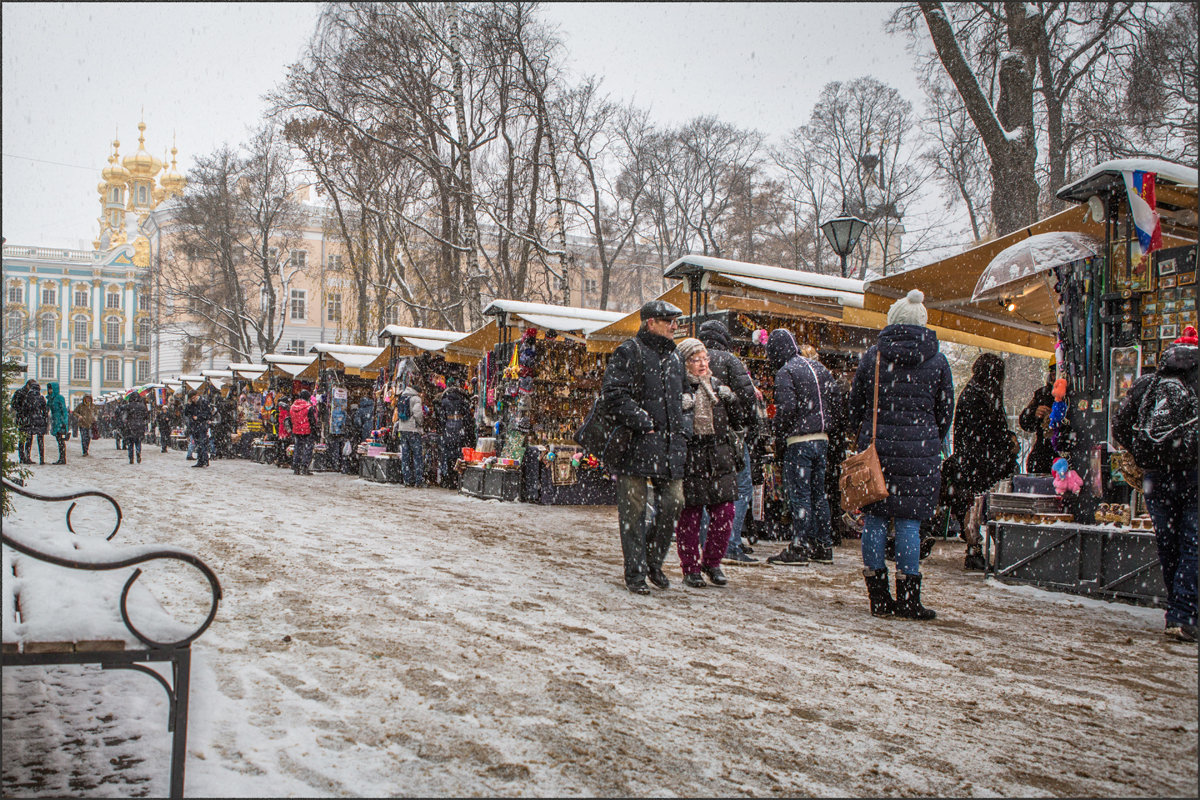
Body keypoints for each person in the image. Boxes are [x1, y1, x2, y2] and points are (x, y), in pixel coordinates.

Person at [848, 290, 953, 620]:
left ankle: (878, 598)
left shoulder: (873, 357)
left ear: (891, 320)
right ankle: (909, 598)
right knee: (909, 523)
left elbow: (856, 405)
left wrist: (866, 431)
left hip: (878, 449)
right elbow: (945, 410)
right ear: (923, 321)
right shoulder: (937, 360)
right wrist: (929, 436)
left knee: (875, 520)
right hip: (920, 450)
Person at [1113, 325, 1198, 643]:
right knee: (1193, 544)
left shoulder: (1150, 382)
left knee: (1169, 543)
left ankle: (1178, 610)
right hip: (1194, 471)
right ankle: (1183, 613)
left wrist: (1140, 452)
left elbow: (1119, 422)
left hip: (1156, 475)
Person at [600, 300, 688, 595]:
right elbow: (612, 395)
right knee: (633, 511)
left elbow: (682, 397)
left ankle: (652, 560)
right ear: (651, 322)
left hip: (668, 446)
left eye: (676, 321)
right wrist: (641, 419)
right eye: (669, 321)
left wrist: (683, 420)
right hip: (635, 445)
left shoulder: (676, 358)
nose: (675, 326)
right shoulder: (629, 351)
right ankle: (635, 572)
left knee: (674, 502)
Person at [765, 329, 845, 566]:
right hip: (822, 440)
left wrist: (778, 431)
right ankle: (823, 545)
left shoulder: (786, 372)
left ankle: (800, 545)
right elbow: (836, 403)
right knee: (818, 494)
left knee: (800, 494)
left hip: (799, 441)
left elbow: (786, 408)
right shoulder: (819, 369)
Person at [673, 338, 740, 588]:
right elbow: (669, 423)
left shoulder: (717, 386)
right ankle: (690, 568)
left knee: (725, 512)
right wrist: (681, 410)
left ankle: (712, 562)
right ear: (685, 363)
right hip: (691, 457)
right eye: (695, 359)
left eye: (704, 358)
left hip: (719, 457)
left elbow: (738, 420)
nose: (702, 364)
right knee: (690, 516)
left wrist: (732, 400)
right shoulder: (677, 387)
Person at [943, 354, 1018, 570]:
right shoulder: (980, 396)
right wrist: (1007, 441)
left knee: (975, 505)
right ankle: (978, 547)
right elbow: (988, 432)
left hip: (974, 462)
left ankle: (976, 546)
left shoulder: (975, 392)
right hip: (980, 463)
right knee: (978, 505)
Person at [695, 320, 760, 566]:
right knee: (739, 487)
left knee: (701, 489)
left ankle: (705, 542)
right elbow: (746, 397)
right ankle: (729, 543)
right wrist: (741, 423)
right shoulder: (731, 360)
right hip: (728, 437)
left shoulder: (691, 360)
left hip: (699, 435)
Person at [1018, 359, 1071, 474]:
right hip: (1043, 457)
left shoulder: (1072, 395)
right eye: (1052, 374)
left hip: (1066, 455)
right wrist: (1034, 413)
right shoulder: (1042, 394)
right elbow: (1025, 423)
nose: (1054, 378)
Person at [438, 379, 476, 489]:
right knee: (459, 455)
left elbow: (441, 418)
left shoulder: (444, 401)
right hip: (460, 429)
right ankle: (458, 479)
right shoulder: (462, 400)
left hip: (448, 430)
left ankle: (449, 478)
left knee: (448, 455)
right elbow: (468, 417)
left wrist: (443, 428)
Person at [394, 382, 426, 487]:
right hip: (413, 430)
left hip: (403, 429)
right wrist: (421, 423)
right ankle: (418, 480)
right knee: (417, 456)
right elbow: (418, 414)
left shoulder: (403, 396)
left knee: (405, 456)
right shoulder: (416, 399)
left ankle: (406, 480)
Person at [290, 389, 318, 475]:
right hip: (307, 431)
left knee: (298, 448)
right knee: (307, 449)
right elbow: (312, 421)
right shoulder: (309, 407)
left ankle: (296, 467)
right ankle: (305, 467)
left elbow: (291, 419)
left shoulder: (292, 407)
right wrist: (315, 431)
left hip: (296, 430)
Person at [22, 381, 48, 465]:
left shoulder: (27, 398)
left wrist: (25, 419)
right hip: (40, 422)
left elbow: (24, 410)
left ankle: (27, 456)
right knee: (40, 441)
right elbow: (45, 412)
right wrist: (45, 422)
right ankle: (42, 459)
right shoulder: (41, 398)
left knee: (29, 440)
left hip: (30, 421)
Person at [186, 391, 214, 468]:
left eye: (193, 398)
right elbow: (186, 413)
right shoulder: (192, 404)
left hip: (202, 426)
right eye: (191, 399)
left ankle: (204, 460)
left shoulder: (204, 402)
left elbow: (208, 414)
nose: (193, 400)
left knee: (202, 443)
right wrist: (188, 405)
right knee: (198, 444)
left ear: (196, 395)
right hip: (194, 427)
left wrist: (199, 417)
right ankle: (200, 461)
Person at [11, 379, 35, 464]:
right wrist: (21, 411)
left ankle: (27, 457)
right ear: (28, 385)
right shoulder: (20, 393)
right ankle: (23, 457)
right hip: (23, 419)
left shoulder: (29, 393)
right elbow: (14, 404)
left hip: (28, 419)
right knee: (23, 439)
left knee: (28, 439)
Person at [123, 393, 150, 464]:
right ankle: (138, 452)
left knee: (130, 443)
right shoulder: (142, 406)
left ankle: (131, 458)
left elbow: (124, 417)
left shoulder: (128, 406)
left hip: (130, 426)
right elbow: (146, 416)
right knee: (138, 441)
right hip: (140, 426)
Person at [46, 382, 69, 465]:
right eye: (49, 389)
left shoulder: (59, 398)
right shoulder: (50, 399)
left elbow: (64, 410)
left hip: (59, 421)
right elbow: (47, 408)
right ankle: (61, 458)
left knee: (60, 440)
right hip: (55, 421)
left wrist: (64, 422)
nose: (50, 390)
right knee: (59, 440)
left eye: (51, 389)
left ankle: (63, 458)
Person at [275, 398, 292, 468]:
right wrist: (289, 431)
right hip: (285, 431)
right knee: (285, 446)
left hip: (281, 430)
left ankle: (279, 459)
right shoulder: (286, 411)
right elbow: (286, 422)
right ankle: (285, 461)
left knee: (281, 445)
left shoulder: (280, 410)